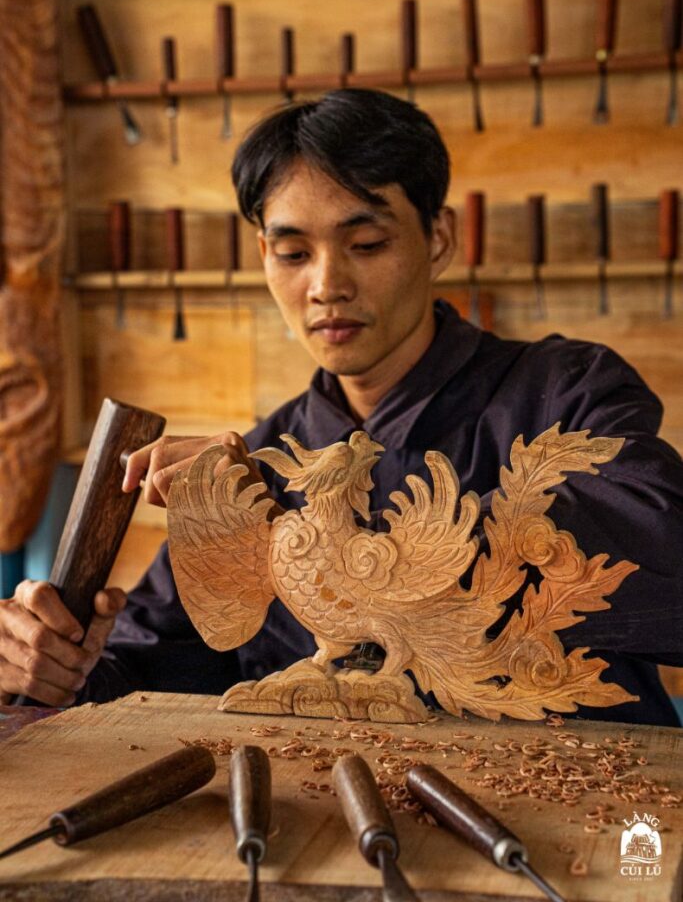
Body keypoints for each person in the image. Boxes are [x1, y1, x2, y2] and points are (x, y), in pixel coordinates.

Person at [1, 90, 682, 724]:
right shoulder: (258, 462)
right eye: (294, 252)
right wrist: (60, 663)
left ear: (436, 239)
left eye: (366, 244)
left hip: (573, 813)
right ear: (265, 257)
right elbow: (151, 670)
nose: (327, 284)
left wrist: (291, 528)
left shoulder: (568, 391)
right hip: (325, 831)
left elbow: (664, 557)